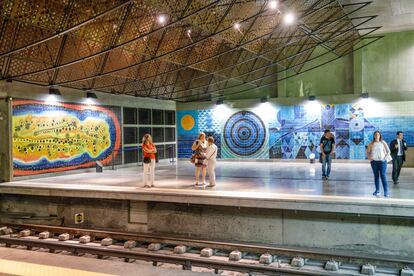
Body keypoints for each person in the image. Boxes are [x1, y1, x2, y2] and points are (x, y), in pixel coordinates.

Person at [366, 130, 391, 197]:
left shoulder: (383, 142)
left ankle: (386, 191)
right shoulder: (371, 143)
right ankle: (377, 190)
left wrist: (384, 159)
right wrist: (370, 159)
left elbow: (388, 151)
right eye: (376, 134)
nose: (377, 136)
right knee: (376, 176)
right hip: (374, 162)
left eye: (378, 134)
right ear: (374, 136)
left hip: (382, 162)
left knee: (383, 175)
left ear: (380, 136)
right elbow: (367, 152)